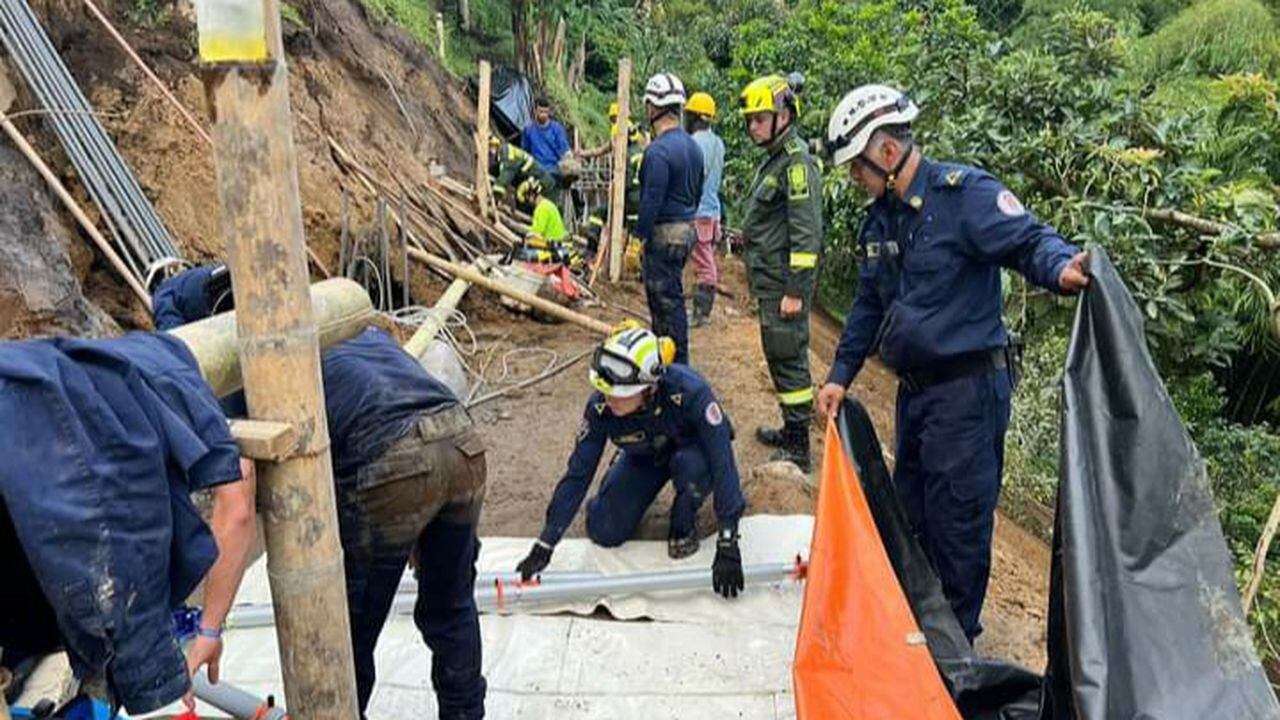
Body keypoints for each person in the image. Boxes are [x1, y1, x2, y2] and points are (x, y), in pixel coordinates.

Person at [152, 267, 489, 720]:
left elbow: (237, 503)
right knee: (451, 609)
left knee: (345, 637)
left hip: (390, 459)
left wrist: (210, 626)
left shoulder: (253, 363)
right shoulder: (331, 316)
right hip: (461, 438)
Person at [817, 84, 1090, 641]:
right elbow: (869, 305)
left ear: (886, 153)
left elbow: (1030, 241)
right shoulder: (882, 222)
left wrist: (1062, 268)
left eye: (857, 168)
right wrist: (839, 377)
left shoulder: (963, 196)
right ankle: (919, 637)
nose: (855, 180)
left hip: (966, 397)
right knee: (911, 518)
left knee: (958, 527)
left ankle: (956, 655)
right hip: (916, 397)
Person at [514, 324, 746, 598]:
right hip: (645, 454)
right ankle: (622, 482)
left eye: (620, 394)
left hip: (691, 452)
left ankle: (683, 521)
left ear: (650, 386)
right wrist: (547, 541)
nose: (610, 398)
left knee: (692, 468)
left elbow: (723, 461)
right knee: (604, 530)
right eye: (606, 391)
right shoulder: (601, 408)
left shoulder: (691, 392)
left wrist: (728, 537)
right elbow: (578, 473)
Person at [738, 74, 824, 471]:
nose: (753, 126)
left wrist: (796, 290)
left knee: (789, 357)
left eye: (760, 118)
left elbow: (807, 236)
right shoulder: (776, 159)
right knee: (778, 354)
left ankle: (799, 446)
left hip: (783, 286)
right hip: (769, 280)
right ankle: (790, 430)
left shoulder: (796, 164)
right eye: (750, 120)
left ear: (784, 114)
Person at [634, 72, 704, 364]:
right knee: (672, 295)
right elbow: (697, 192)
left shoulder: (658, 151)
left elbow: (651, 200)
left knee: (664, 303)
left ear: (653, 107)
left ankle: (675, 365)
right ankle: (671, 360)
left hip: (664, 234)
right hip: (686, 230)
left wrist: (637, 239)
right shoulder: (693, 148)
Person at [684, 91, 725, 328]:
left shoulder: (694, 143)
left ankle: (702, 312)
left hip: (698, 211)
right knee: (704, 258)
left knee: (704, 262)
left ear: (697, 117)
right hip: (712, 210)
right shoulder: (718, 143)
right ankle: (700, 309)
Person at [489, 135, 552, 206]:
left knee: (520, 194)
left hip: (534, 176)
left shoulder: (506, 151)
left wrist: (497, 193)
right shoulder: (504, 152)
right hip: (530, 175)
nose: (491, 151)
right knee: (519, 194)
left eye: (491, 147)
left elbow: (507, 171)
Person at [521, 97, 571, 176]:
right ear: (535, 111)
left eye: (546, 112)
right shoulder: (528, 129)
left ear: (549, 112)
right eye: (541, 111)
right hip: (535, 169)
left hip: (554, 170)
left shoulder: (557, 129)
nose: (543, 115)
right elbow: (525, 151)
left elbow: (566, 152)